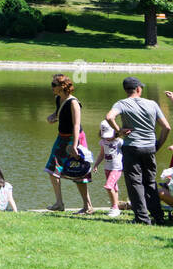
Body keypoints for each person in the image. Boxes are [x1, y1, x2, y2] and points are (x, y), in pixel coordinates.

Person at [104, 77, 171, 225]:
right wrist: (157, 145)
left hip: (132, 147)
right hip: (149, 147)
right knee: (150, 182)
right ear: (139, 89)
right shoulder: (152, 104)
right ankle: (158, 216)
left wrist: (119, 131)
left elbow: (109, 117)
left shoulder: (121, 104)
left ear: (126, 90)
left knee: (135, 183)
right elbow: (167, 127)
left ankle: (142, 218)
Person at [44, 73, 92, 214]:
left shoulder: (74, 103)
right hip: (62, 138)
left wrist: (75, 145)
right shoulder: (58, 99)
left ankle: (87, 206)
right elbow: (58, 114)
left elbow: (76, 125)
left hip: (75, 139)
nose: (52, 87)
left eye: (54, 85)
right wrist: (52, 117)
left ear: (62, 86)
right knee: (52, 169)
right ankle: (59, 203)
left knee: (79, 173)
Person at [97, 119, 125, 218]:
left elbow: (127, 153)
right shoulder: (103, 142)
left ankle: (115, 208)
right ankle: (115, 205)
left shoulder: (119, 142)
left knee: (109, 186)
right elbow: (101, 154)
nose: (108, 138)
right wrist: (96, 165)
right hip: (107, 167)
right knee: (114, 187)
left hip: (116, 168)